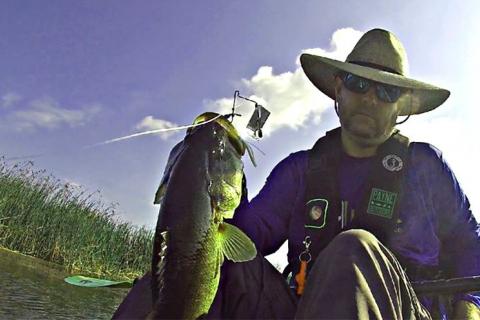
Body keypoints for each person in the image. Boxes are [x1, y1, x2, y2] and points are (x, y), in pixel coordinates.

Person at [113, 29, 480, 319]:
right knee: (193, 260)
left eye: (386, 91)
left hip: (404, 311)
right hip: (299, 309)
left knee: (353, 250)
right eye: (358, 84)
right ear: (339, 87)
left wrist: (470, 307)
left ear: (401, 105)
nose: (370, 98)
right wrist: (205, 170)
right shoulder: (299, 169)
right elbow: (241, 238)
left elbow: (470, 245)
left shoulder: (426, 166)